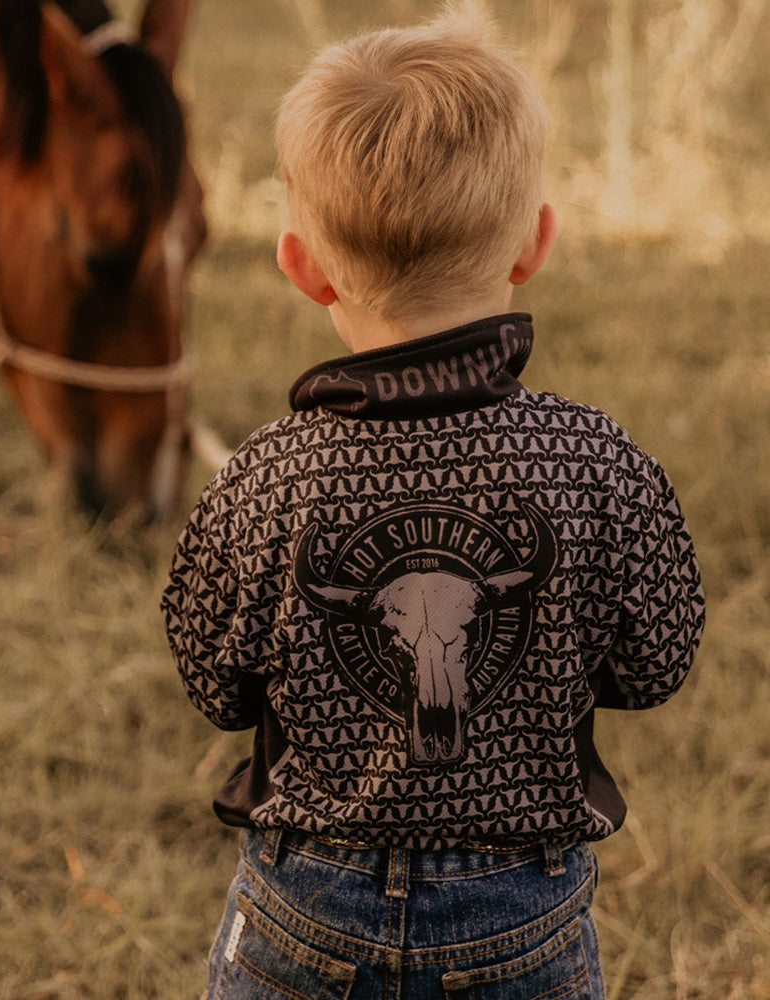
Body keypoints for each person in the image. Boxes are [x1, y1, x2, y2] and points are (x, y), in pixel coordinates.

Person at [162, 4, 705, 997]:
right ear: (533, 243)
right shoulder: (595, 460)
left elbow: (214, 682)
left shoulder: (262, 475)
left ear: (300, 265)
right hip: (521, 916)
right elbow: (655, 659)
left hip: (301, 909)